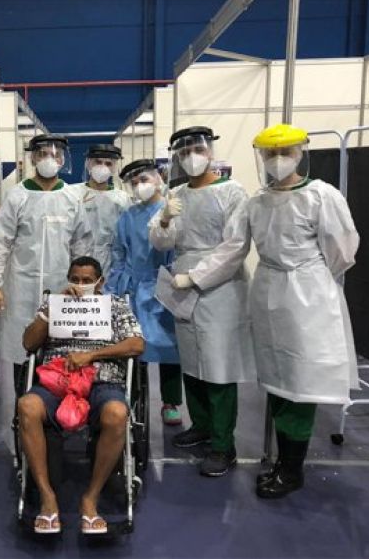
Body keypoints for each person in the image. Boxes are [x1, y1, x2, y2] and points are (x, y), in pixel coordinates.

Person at [247, 123, 359, 498]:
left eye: (286, 152)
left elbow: (342, 251)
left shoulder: (321, 195)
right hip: (269, 292)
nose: (278, 160)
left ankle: (292, 470)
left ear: (300, 154)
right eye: (271, 153)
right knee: (278, 379)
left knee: (301, 382)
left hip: (307, 297)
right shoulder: (258, 201)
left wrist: (308, 276)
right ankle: (283, 462)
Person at [148, 126, 255, 477]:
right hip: (181, 283)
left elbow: (235, 246)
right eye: (183, 152)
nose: (191, 157)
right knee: (191, 360)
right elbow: (161, 242)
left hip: (220, 288)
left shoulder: (232, 192)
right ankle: (202, 426)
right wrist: (165, 218)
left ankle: (224, 445)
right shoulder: (176, 194)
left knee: (218, 366)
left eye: (197, 149)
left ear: (210, 151)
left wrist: (196, 276)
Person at [18, 256, 144, 535]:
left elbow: (136, 344)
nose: (80, 284)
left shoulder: (115, 306)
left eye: (87, 280)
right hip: (58, 379)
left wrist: (92, 355)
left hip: (102, 379)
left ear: (100, 282)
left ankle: (90, 498)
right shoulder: (55, 304)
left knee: (117, 413)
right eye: (75, 279)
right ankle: (47, 497)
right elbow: (28, 342)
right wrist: (50, 312)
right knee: (27, 406)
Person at [0, 133, 93, 377]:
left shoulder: (71, 197)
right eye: (42, 154)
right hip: (21, 287)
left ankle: (53, 398)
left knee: (59, 348)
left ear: (63, 160)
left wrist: (83, 284)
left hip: (62, 285)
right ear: (33, 158)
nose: (49, 159)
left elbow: (82, 243)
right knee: (22, 347)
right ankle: (22, 397)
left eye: (55, 154)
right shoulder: (17, 195)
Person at [106, 159, 183, 427]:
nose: (140, 186)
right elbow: (119, 253)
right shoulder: (128, 216)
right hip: (133, 287)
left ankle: (170, 402)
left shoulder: (171, 209)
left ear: (158, 178)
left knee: (168, 347)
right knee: (133, 347)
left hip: (164, 285)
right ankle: (134, 398)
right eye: (135, 182)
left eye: (144, 179)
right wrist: (114, 286)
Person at [69, 144, 131, 277]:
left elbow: (126, 237)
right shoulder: (72, 193)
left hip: (109, 263)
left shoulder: (122, 199)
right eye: (98, 162)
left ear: (114, 167)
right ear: (88, 163)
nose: (103, 167)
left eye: (108, 163)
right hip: (75, 259)